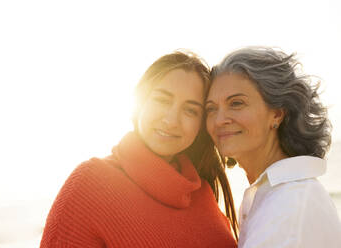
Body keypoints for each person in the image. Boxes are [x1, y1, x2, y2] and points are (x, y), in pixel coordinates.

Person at [40, 50, 238, 247]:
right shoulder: (89, 184)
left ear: (200, 124)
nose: (171, 120)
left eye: (190, 110)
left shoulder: (201, 193)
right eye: (162, 100)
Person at [205, 46, 341, 247]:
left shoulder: (290, 204)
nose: (219, 120)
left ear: (277, 113)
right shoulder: (271, 196)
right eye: (211, 108)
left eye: (236, 103)